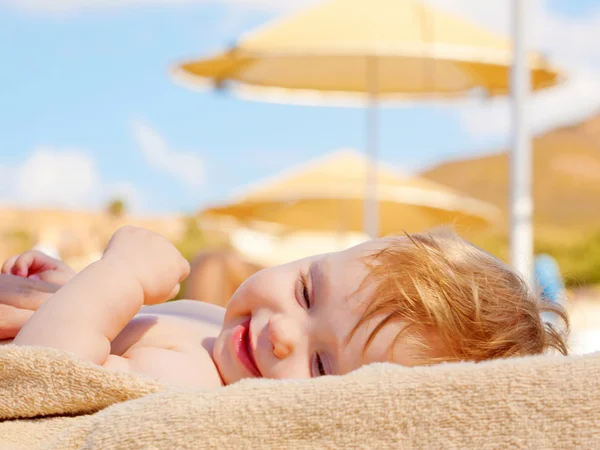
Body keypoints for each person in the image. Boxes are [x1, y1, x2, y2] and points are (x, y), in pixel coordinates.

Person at [1, 226, 569, 389]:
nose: (284, 336)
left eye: (321, 365)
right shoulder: (214, 326)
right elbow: (117, 333)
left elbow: (49, 374)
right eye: (305, 290)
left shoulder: (194, 384)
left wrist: (116, 276)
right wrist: (65, 287)